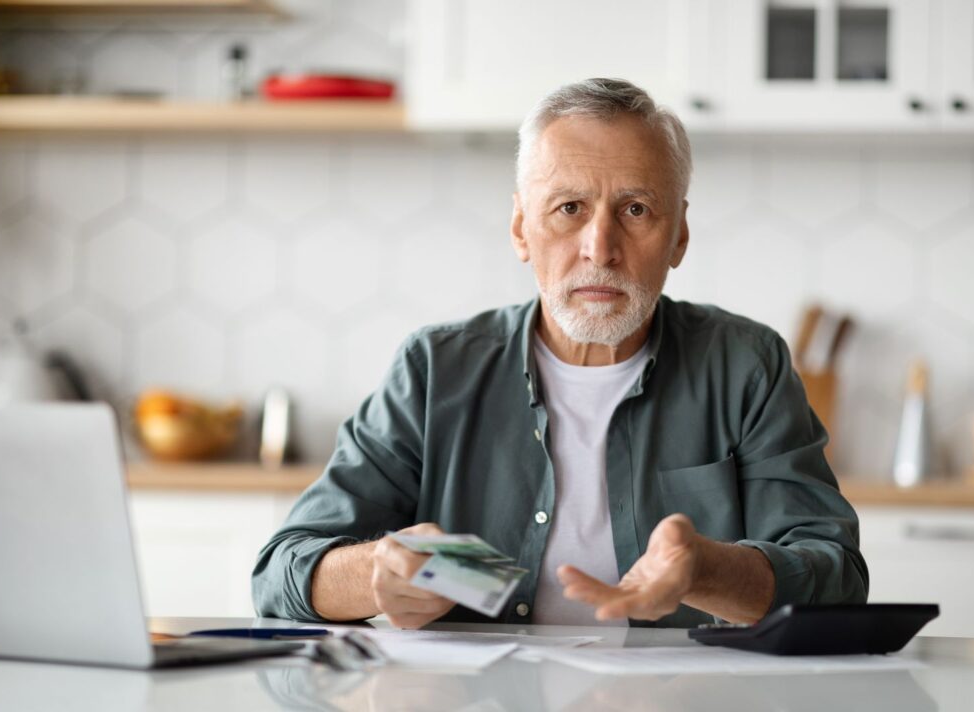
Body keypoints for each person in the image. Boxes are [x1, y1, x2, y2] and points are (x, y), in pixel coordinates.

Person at [252, 78, 868, 629]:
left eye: (635, 209)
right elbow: (280, 570)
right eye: (569, 208)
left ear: (678, 234)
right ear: (522, 228)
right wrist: (374, 574)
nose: (600, 247)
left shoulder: (746, 365)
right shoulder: (436, 367)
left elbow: (838, 578)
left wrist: (707, 571)